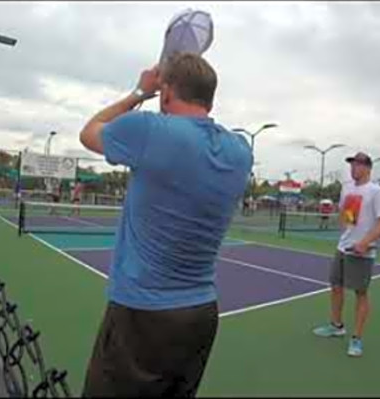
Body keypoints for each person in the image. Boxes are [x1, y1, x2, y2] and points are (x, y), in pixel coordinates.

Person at [78, 53, 253, 397]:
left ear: (167, 92)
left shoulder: (149, 130)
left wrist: (139, 93)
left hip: (142, 315)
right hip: (200, 316)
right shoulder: (240, 151)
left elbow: (89, 132)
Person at [313, 152, 380, 358]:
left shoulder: (376, 191)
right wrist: (347, 231)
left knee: (360, 293)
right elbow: (347, 217)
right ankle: (337, 326)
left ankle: (356, 339)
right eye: (352, 165)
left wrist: (364, 242)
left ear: (367, 168)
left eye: (357, 165)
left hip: (362, 252)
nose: (353, 168)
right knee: (336, 286)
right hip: (343, 247)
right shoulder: (347, 188)